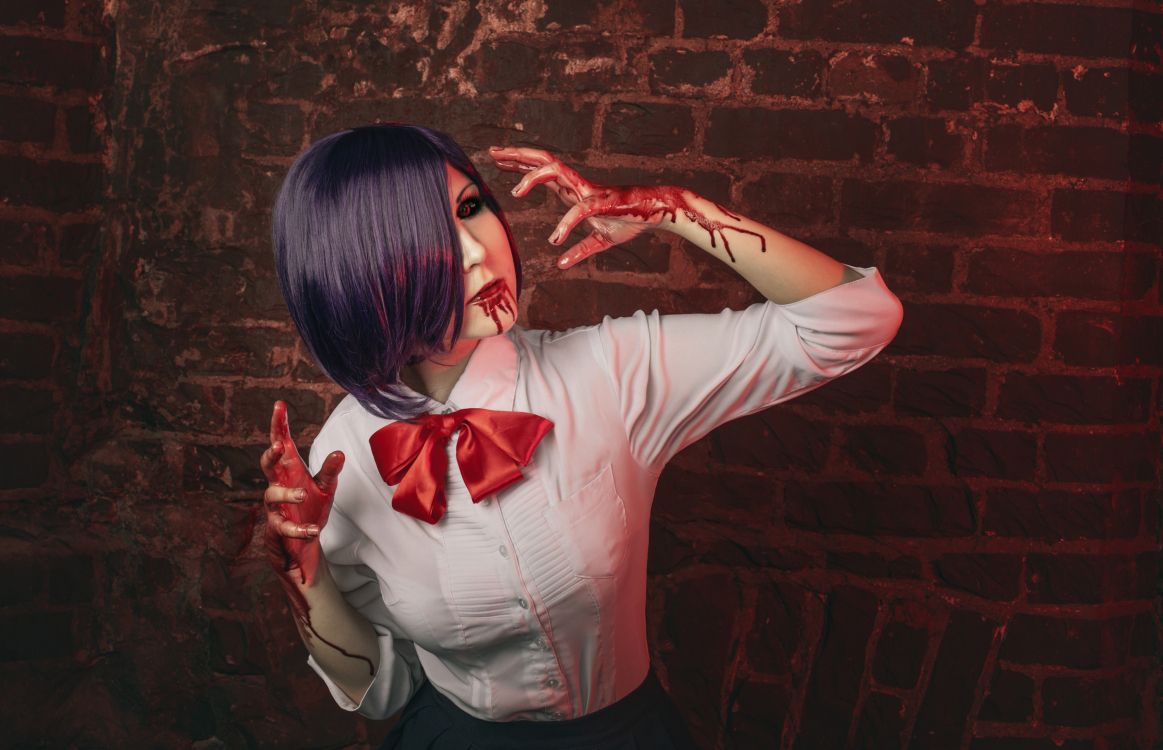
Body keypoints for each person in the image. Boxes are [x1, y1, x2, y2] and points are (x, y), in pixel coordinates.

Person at [258, 122, 904, 749]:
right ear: (360, 272)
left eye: (471, 207)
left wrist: (674, 210)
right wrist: (303, 568)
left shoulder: (611, 371)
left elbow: (855, 320)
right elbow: (382, 691)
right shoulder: (342, 457)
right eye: (427, 236)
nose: (479, 249)